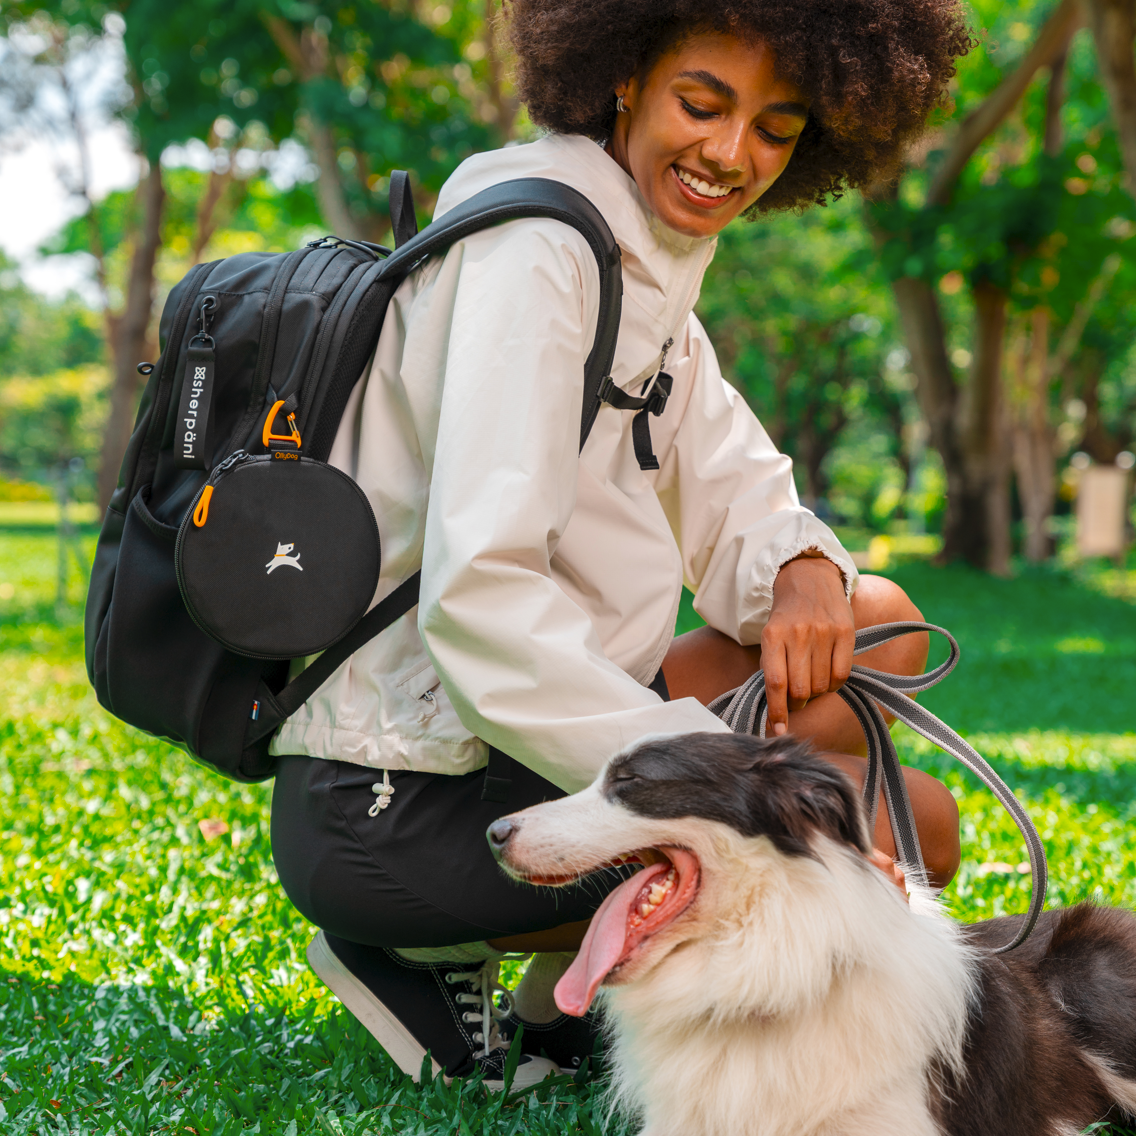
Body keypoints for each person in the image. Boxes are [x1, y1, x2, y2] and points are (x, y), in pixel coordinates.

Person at [269, 0, 972, 1089]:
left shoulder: (638, 263)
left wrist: (795, 565)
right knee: (909, 821)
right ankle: (412, 942)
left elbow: (737, 483)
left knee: (865, 618)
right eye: (702, 102)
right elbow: (479, 595)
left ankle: (564, 998)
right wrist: (712, 780)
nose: (730, 154)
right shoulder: (538, 255)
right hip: (396, 801)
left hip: (503, 747)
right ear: (623, 77)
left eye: (775, 128)